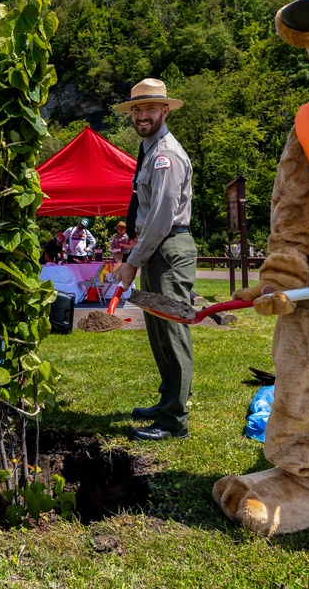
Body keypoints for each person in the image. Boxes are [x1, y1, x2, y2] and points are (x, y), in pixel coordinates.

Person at [115, 79, 196, 441]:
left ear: (165, 111)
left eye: (149, 108)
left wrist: (132, 260)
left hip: (168, 247)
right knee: (159, 332)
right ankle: (168, 402)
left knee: (172, 331)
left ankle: (173, 421)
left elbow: (161, 217)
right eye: (136, 109)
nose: (141, 115)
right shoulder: (149, 150)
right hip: (158, 249)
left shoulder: (165, 154)